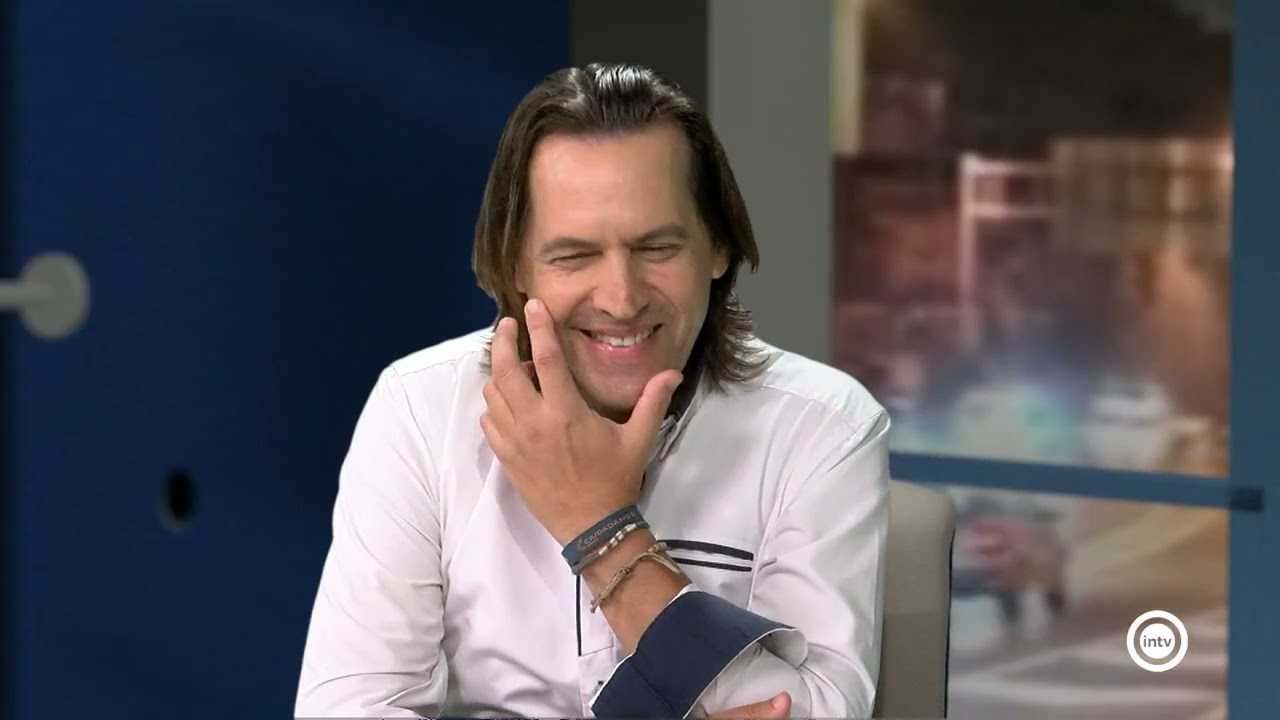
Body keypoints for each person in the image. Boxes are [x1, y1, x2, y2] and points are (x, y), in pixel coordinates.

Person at [294, 63, 890, 720]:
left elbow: (812, 713)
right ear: (515, 264)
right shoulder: (419, 410)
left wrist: (601, 528)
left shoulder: (824, 427)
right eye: (574, 256)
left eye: (656, 248)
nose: (621, 299)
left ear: (718, 247)